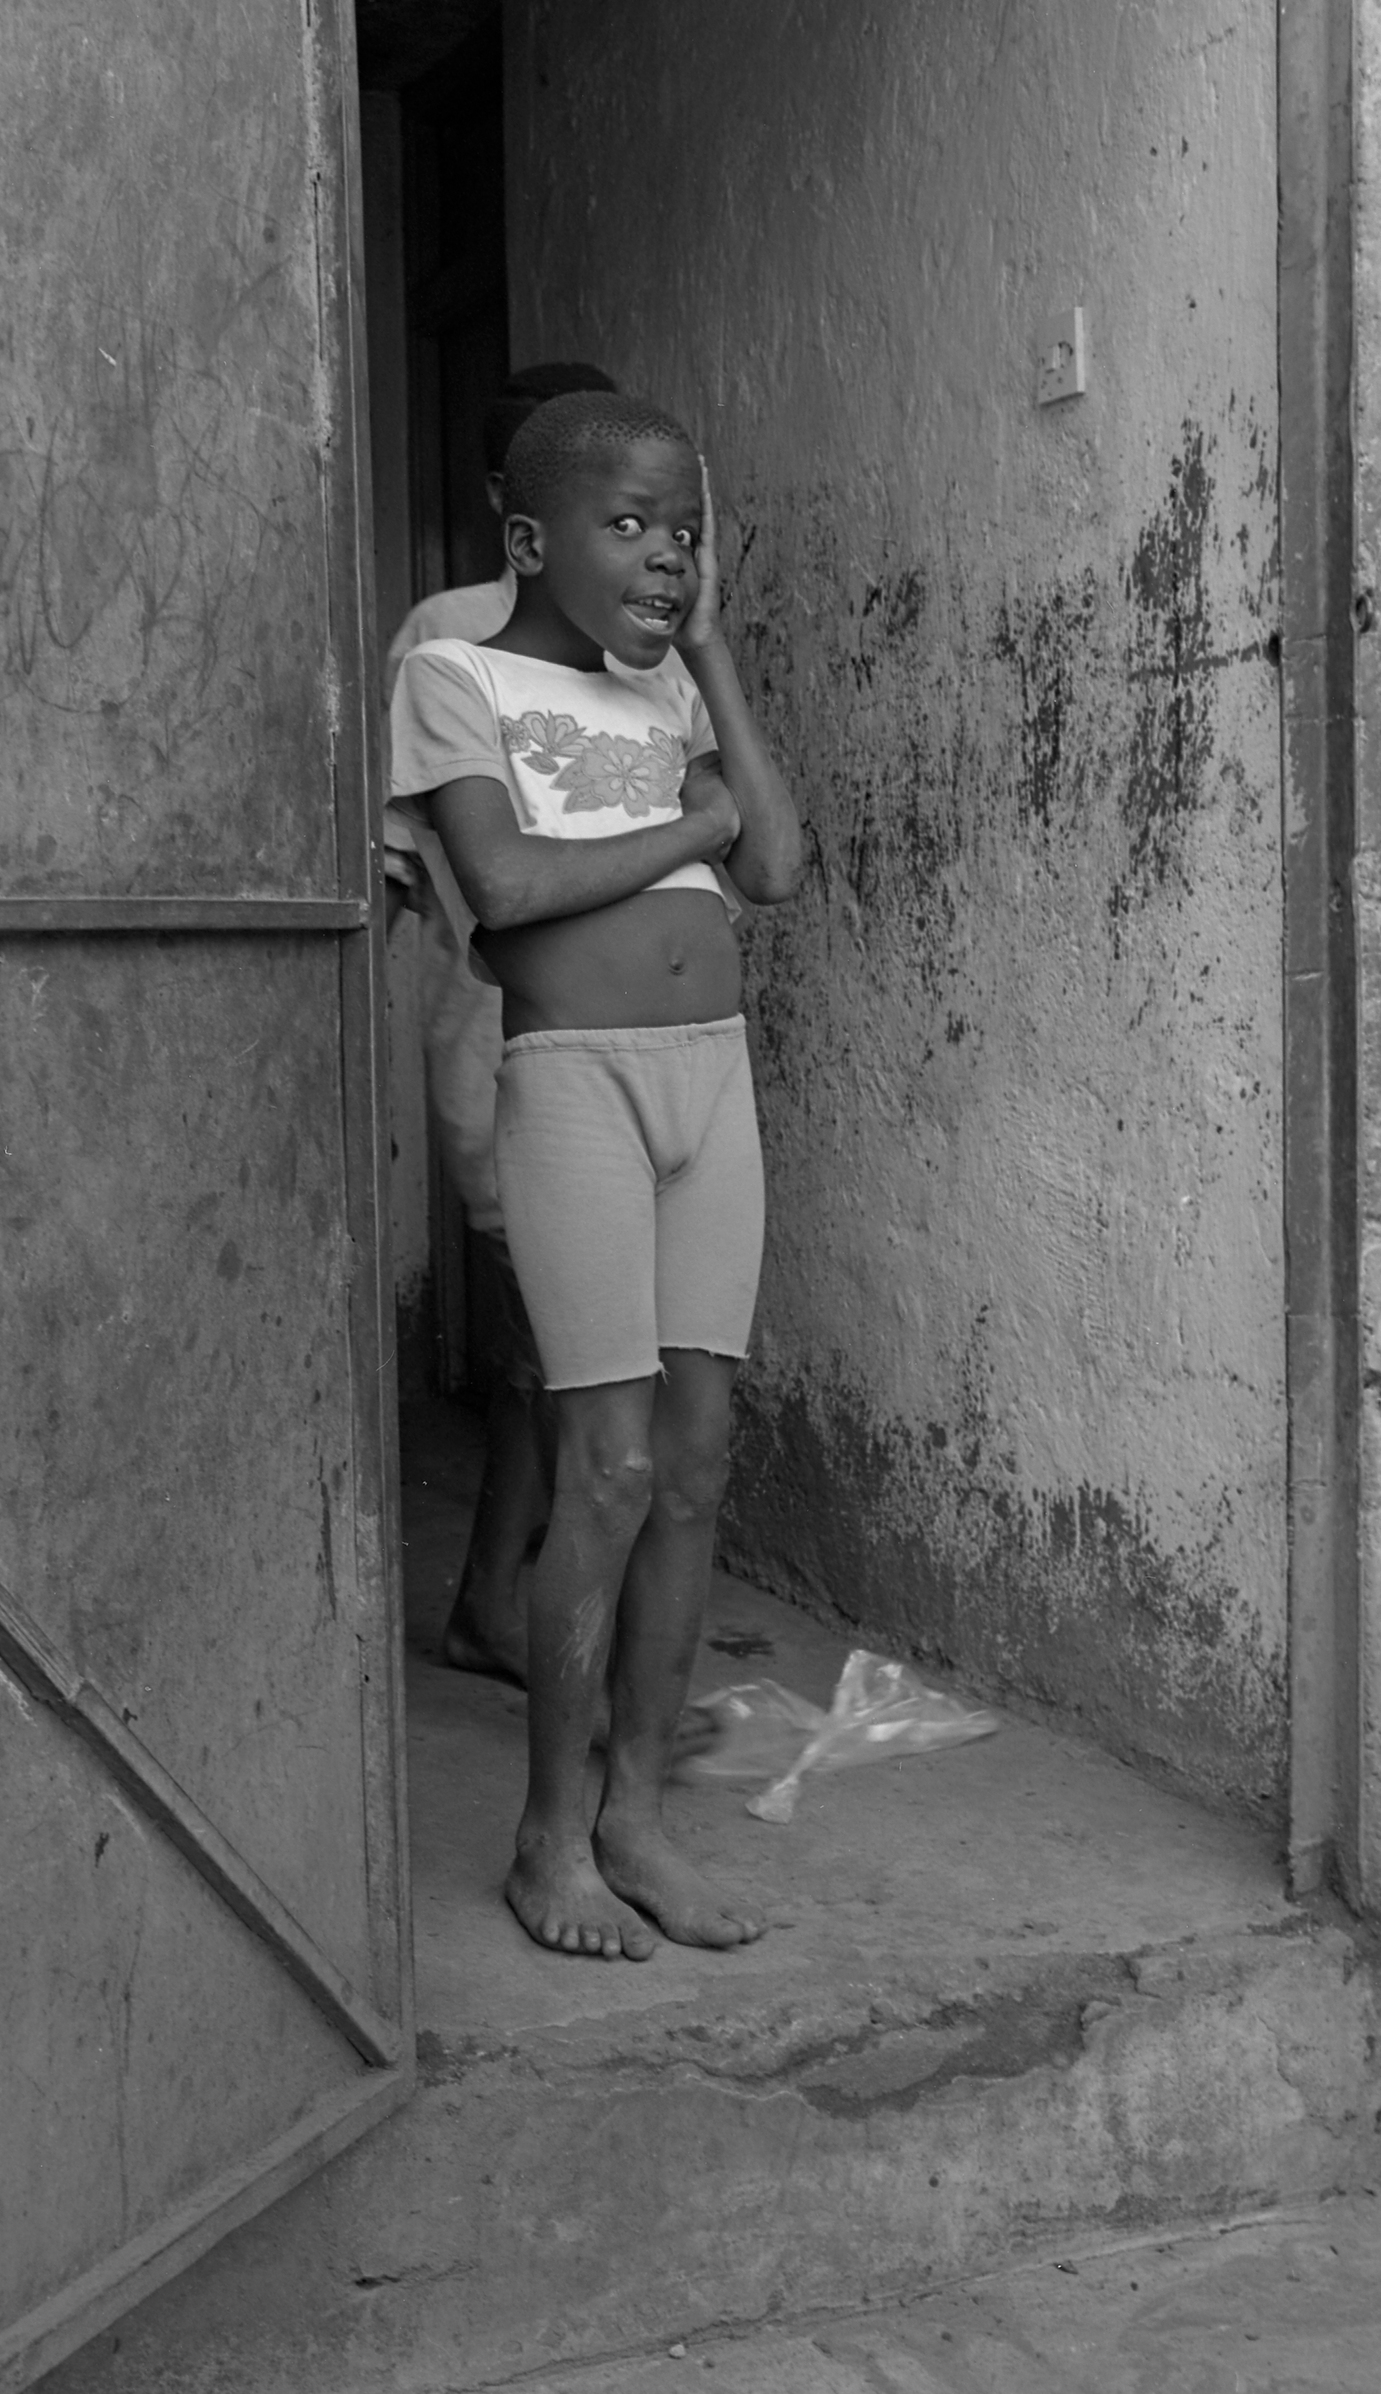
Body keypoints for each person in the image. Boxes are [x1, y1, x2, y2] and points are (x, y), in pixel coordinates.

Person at [388, 391, 804, 1960]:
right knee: (611, 1470)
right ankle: (548, 1839)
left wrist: (710, 663)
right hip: (572, 1086)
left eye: (683, 530)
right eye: (625, 526)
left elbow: (770, 864)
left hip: (717, 1085)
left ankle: (638, 1813)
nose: (659, 555)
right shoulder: (455, 674)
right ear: (528, 540)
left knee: (697, 1467)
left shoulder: (673, 695)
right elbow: (503, 886)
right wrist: (685, 820)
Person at [383, 362, 618, 1683]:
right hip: (503, 1029)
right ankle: (511, 1608)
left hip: (632, 1037)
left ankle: (502, 1600)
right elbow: (410, 865)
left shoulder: (648, 623)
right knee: (562, 1343)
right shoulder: (449, 635)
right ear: (500, 500)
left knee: (573, 1348)